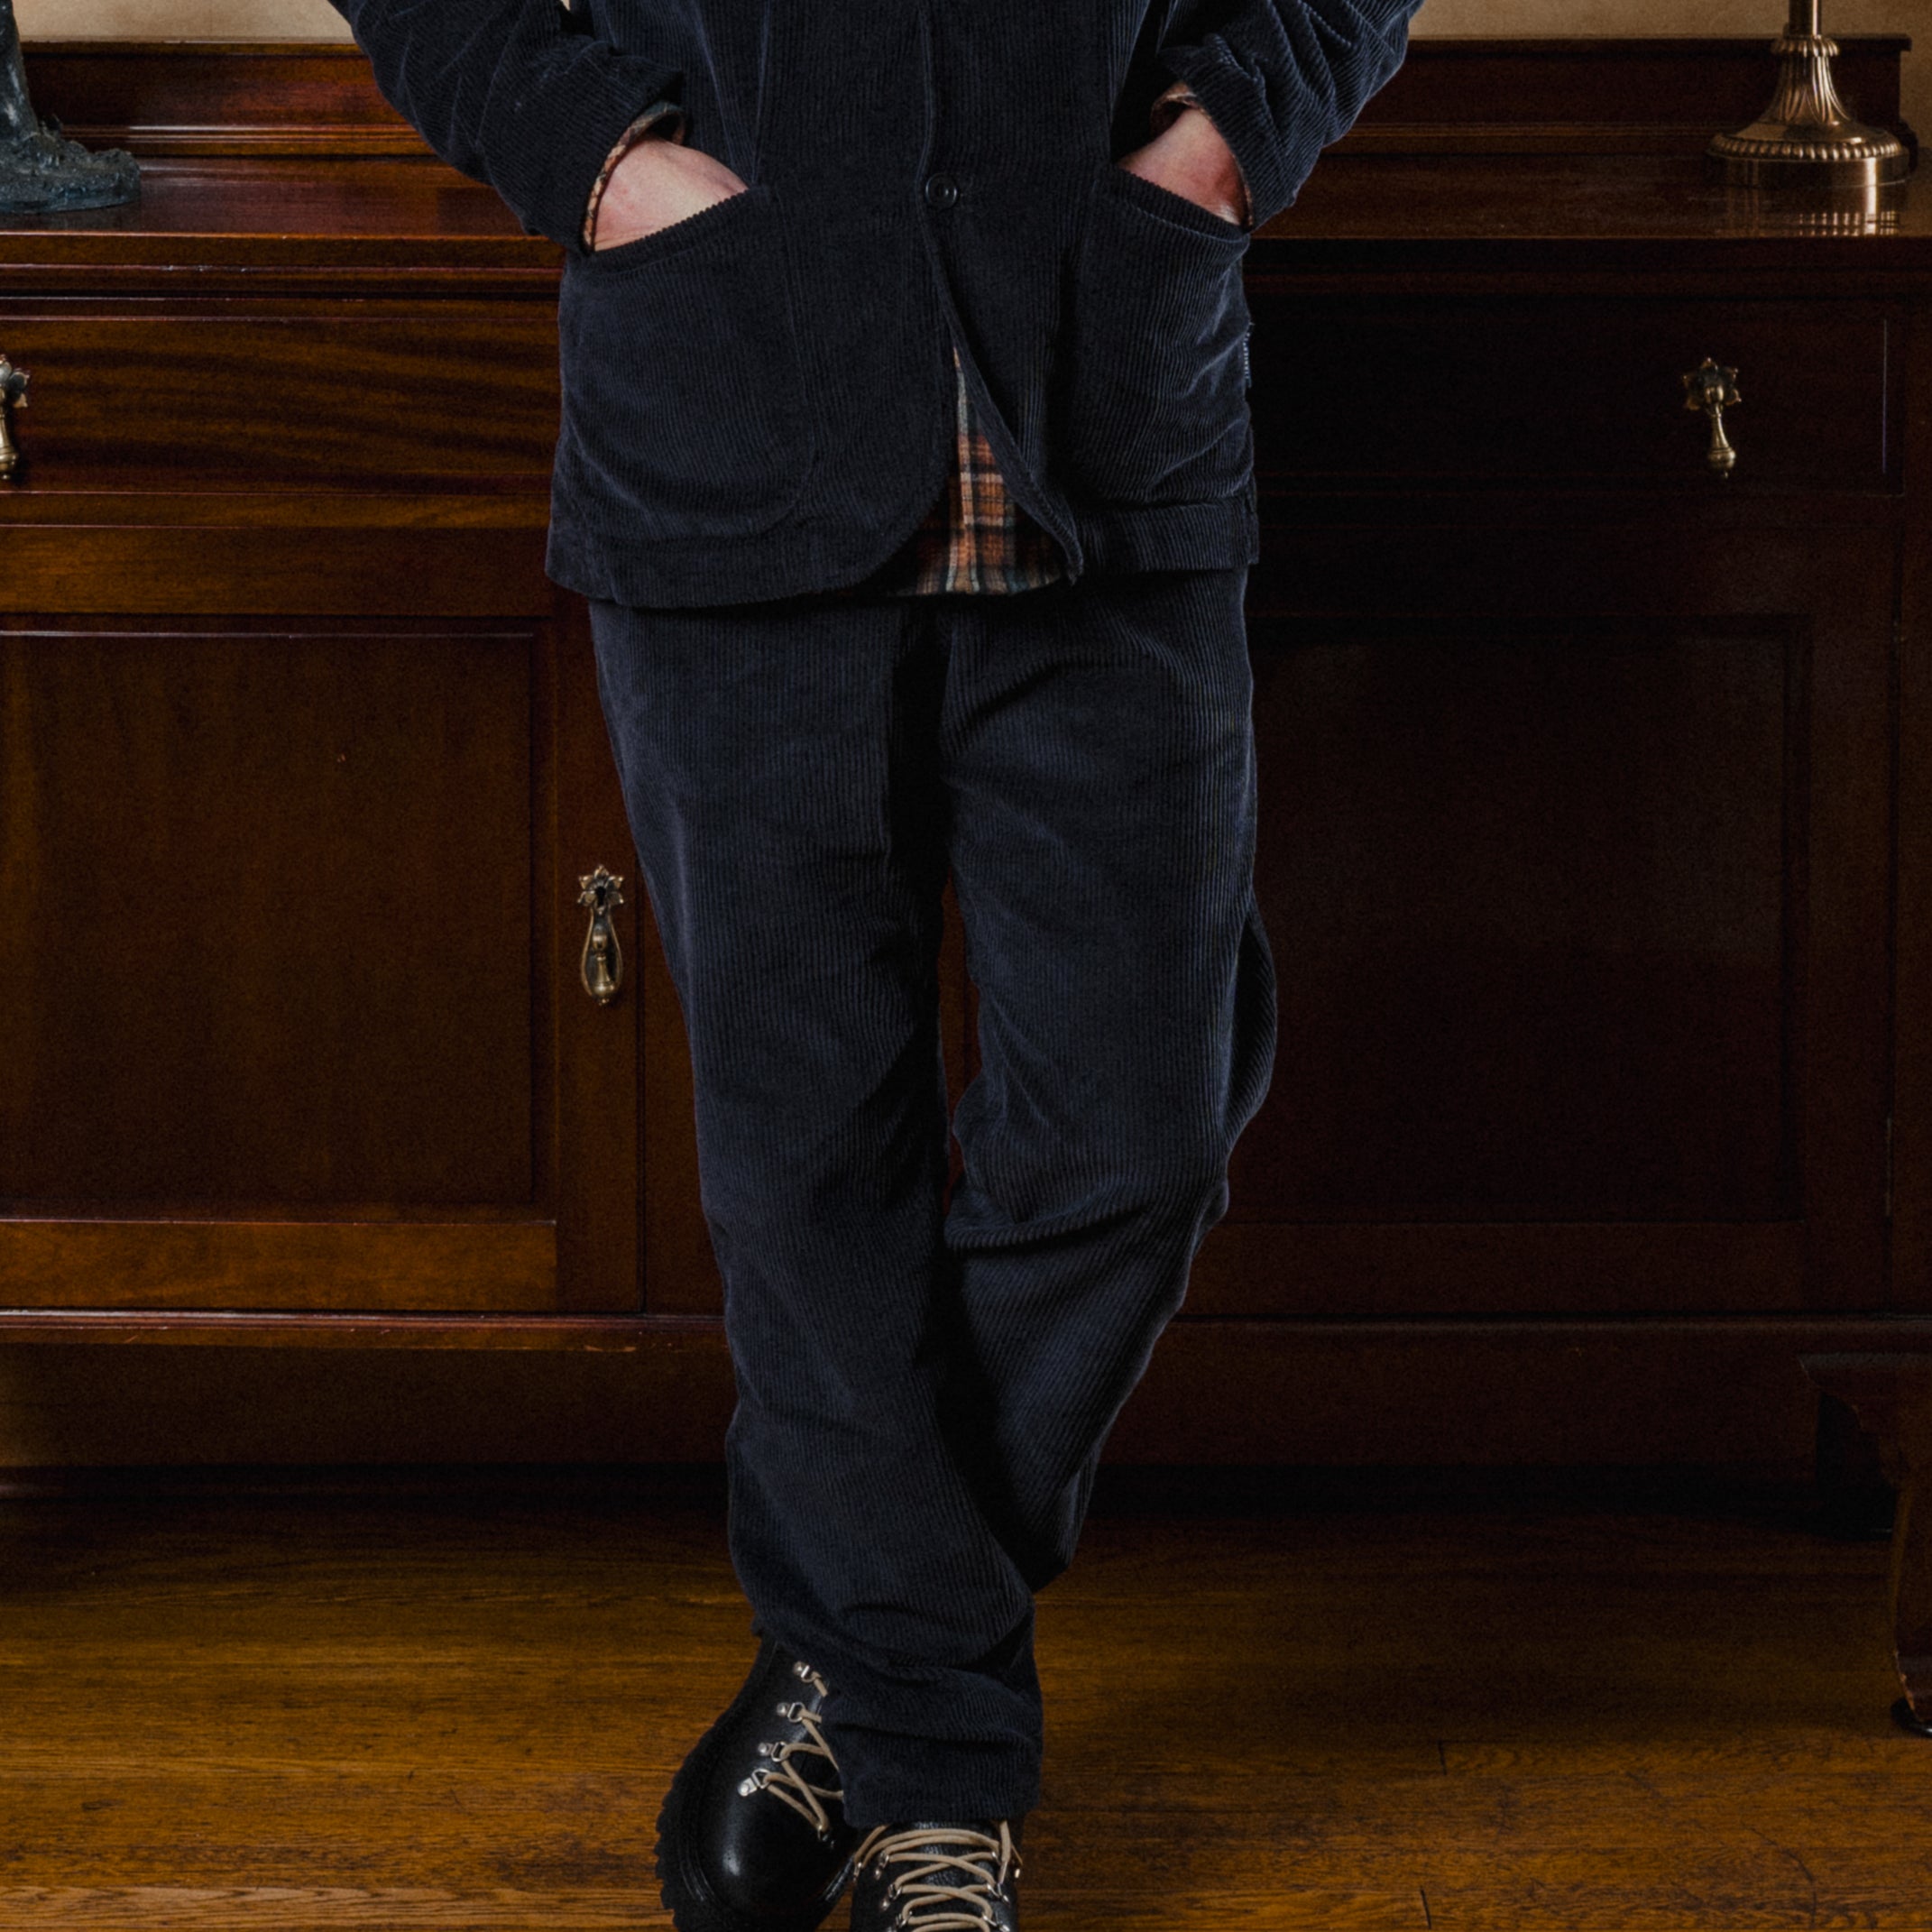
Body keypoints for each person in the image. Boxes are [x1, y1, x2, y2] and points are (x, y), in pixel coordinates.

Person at [327, 4, 1423, 1927]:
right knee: (806, 1164)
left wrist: (1227, 137)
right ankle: (940, 1794)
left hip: (1104, 411)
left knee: (1142, 1128)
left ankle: (846, 1668)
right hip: (728, 409)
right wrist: (601, 159)